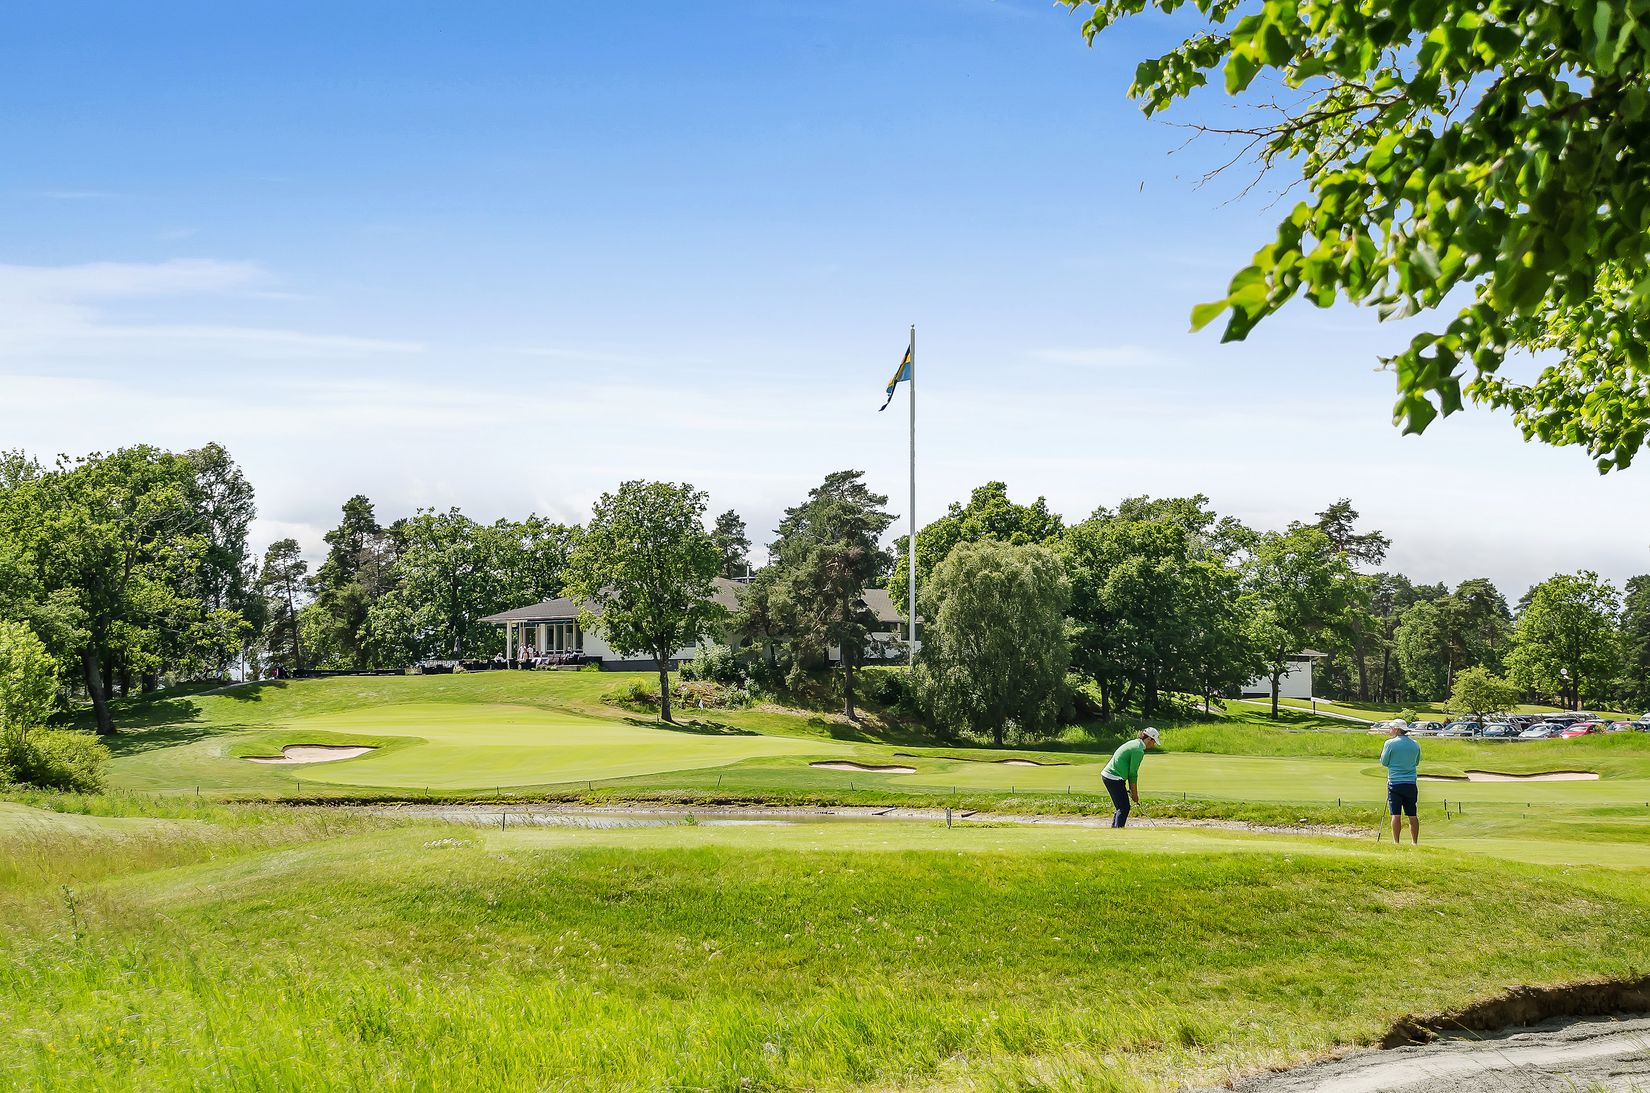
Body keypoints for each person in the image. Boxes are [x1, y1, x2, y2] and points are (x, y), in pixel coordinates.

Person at [1100, 727, 1160, 828]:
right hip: (1114, 777)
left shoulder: (1135, 743)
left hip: (1111, 776)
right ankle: (1118, 831)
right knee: (1124, 807)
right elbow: (1132, 773)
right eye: (1154, 742)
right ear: (1149, 739)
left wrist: (1132, 792)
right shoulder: (1138, 750)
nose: (1153, 745)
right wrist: (1135, 794)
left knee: (1121, 806)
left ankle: (1115, 829)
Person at [1380, 719, 1422, 844]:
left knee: (1396, 814)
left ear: (1397, 729)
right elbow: (1416, 762)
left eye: (1392, 728)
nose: (1390, 730)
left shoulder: (1390, 743)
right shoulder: (1415, 744)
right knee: (1412, 814)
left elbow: (1384, 762)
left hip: (1395, 783)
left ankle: (1396, 842)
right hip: (1410, 783)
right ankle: (1414, 842)